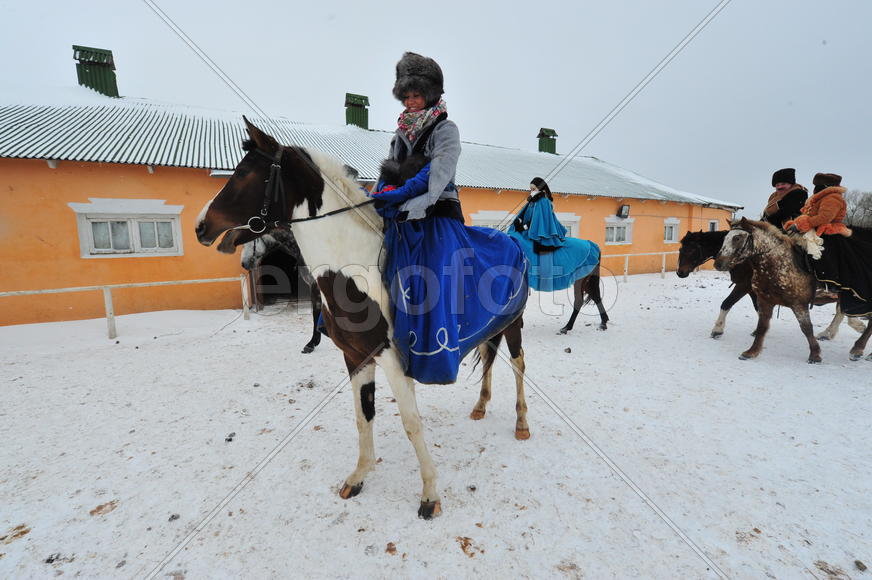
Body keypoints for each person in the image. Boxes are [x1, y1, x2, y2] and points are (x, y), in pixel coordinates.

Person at [369, 52, 527, 384]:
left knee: (437, 279)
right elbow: (389, 172)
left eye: (417, 94)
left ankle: (437, 354)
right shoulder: (400, 134)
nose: (412, 101)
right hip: (402, 219)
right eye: (407, 95)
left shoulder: (446, 129)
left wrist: (406, 202)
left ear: (431, 94)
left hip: (437, 213)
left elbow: (438, 176)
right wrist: (377, 195)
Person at [508, 177, 600, 292]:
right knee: (514, 237)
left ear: (540, 188)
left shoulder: (543, 201)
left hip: (539, 232)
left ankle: (539, 273)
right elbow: (526, 216)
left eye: (534, 188)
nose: (531, 190)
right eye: (530, 189)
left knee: (525, 244)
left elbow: (539, 220)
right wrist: (519, 221)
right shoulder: (533, 201)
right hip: (529, 231)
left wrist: (524, 226)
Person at [785, 173, 850, 237]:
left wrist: (802, 225)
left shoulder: (833, 198)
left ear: (827, 186)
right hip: (813, 226)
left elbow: (824, 217)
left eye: (818, 185)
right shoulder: (819, 198)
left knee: (805, 244)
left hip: (825, 230)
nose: (816, 188)